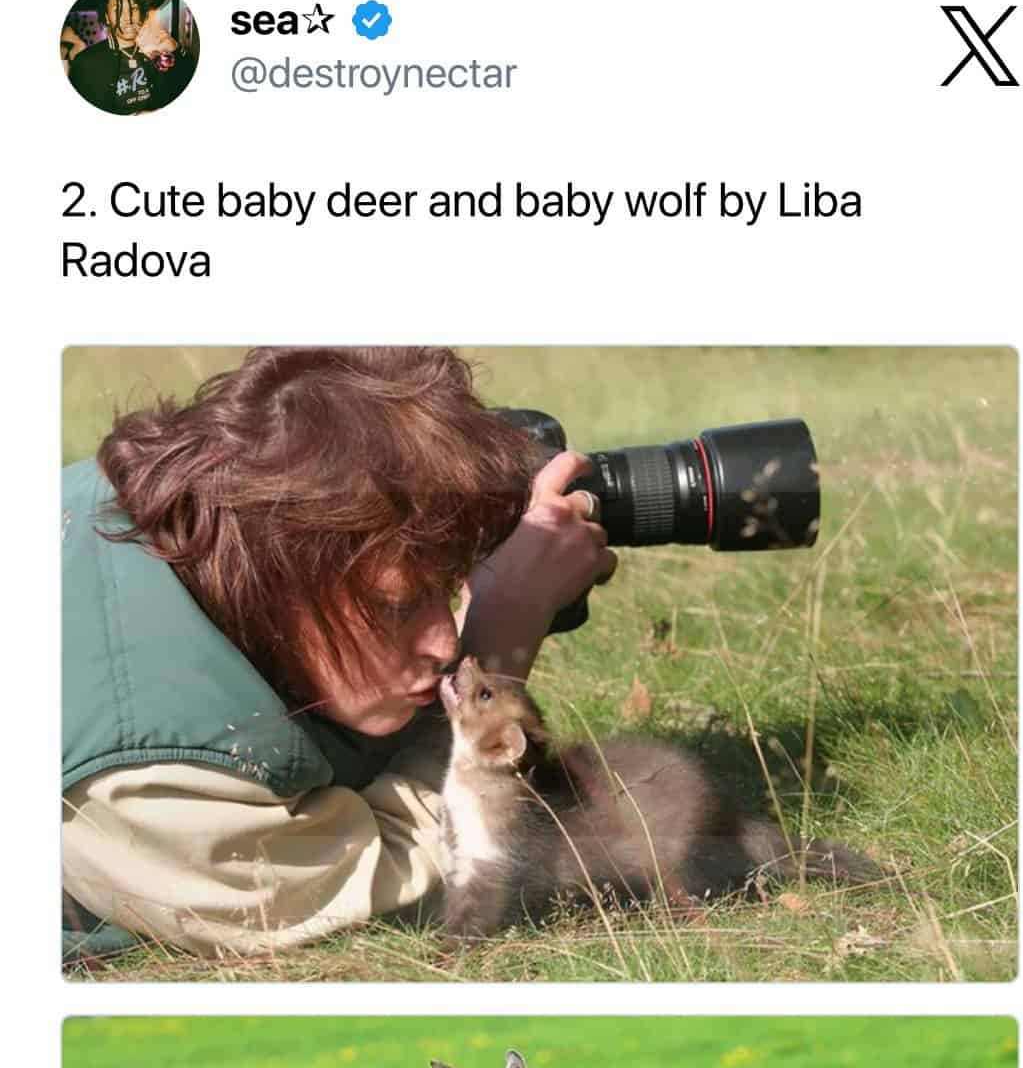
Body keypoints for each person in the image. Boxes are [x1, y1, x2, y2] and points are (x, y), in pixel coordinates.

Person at [62, 347, 616, 960]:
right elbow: (386, 883)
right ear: (272, 584)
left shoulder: (143, 503)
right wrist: (505, 631)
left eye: (449, 588)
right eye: (396, 607)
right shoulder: (146, 775)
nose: (445, 641)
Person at [66, 0, 195, 116]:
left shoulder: (154, 52)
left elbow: (183, 83)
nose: (128, 18)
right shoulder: (85, 63)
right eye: (118, 10)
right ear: (107, 18)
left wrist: (176, 49)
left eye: (134, 8)